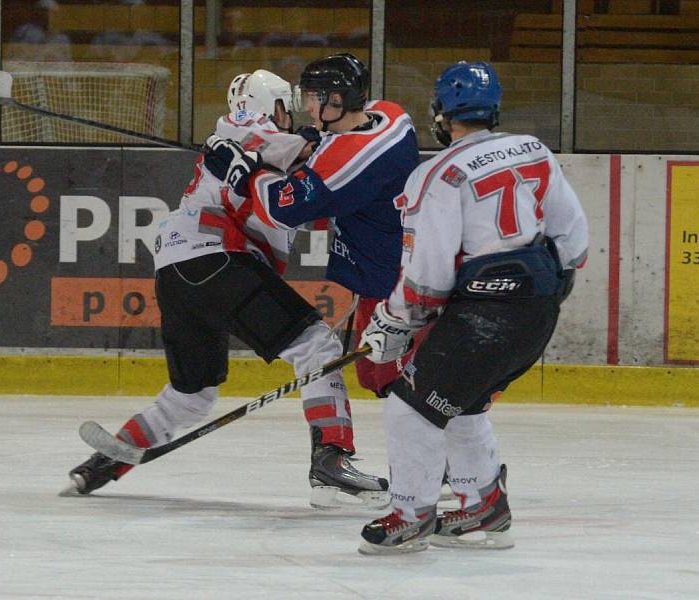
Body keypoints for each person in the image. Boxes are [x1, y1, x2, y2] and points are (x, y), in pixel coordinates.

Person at [63, 69, 389, 510]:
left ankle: (101, 464)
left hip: (179, 272)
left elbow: (294, 194)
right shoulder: (246, 129)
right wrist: (314, 138)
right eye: (283, 107)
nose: (289, 117)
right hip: (217, 259)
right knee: (317, 346)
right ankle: (332, 462)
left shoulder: (248, 146)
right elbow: (286, 149)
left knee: (191, 395)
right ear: (267, 105)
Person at [356, 61, 589, 554]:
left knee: (409, 407)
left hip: (487, 315)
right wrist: (538, 291)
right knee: (459, 401)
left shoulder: (437, 174)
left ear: (441, 114)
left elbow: (427, 275)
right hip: (538, 309)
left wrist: (393, 323)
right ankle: (483, 505)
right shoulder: (533, 149)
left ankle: (410, 514)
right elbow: (574, 239)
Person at [206, 53, 420, 399]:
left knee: (398, 383)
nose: (306, 107)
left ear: (336, 100)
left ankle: (455, 446)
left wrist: (246, 171)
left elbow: (279, 208)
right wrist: (307, 143)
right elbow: (337, 153)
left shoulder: (345, 166)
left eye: (312, 98)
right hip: (402, 260)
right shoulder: (391, 114)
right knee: (377, 376)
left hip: (391, 282)